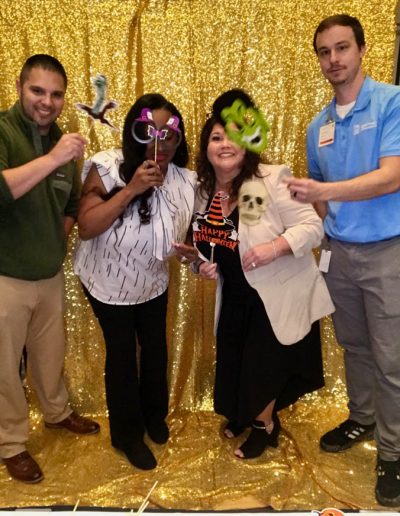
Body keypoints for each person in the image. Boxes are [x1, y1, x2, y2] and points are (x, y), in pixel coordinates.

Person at [285, 14, 400, 507]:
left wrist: (324, 192)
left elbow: (392, 176)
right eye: (324, 52)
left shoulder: (392, 102)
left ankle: (393, 454)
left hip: (388, 251)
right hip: (339, 254)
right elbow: (317, 197)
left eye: (342, 48)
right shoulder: (319, 126)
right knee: (354, 345)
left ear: (362, 49)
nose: (333, 59)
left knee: (392, 358)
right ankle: (362, 417)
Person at [187, 90, 334, 460]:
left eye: (234, 136)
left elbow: (313, 227)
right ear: (206, 147)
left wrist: (275, 247)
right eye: (216, 137)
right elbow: (204, 246)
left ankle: (264, 426)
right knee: (235, 361)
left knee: (262, 366)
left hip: (275, 293)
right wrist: (199, 264)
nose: (225, 144)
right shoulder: (204, 192)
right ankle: (245, 413)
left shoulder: (269, 179)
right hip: (236, 294)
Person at [74, 93, 196, 470]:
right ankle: (127, 435)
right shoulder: (108, 166)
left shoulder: (186, 180)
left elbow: (194, 234)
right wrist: (131, 190)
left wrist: (194, 252)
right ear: (134, 132)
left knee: (156, 349)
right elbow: (86, 226)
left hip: (152, 283)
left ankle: (153, 416)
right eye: (149, 131)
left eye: (168, 134)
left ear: (178, 139)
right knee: (123, 355)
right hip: (108, 284)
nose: (160, 142)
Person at [0, 54, 100, 485]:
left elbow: (71, 203)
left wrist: (56, 239)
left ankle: (56, 413)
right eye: (37, 90)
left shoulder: (63, 143)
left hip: (48, 275)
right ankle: (11, 443)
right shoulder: (4, 131)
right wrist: (54, 157)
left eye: (56, 94)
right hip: (6, 276)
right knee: (4, 368)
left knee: (49, 356)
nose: (47, 101)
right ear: (19, 87)